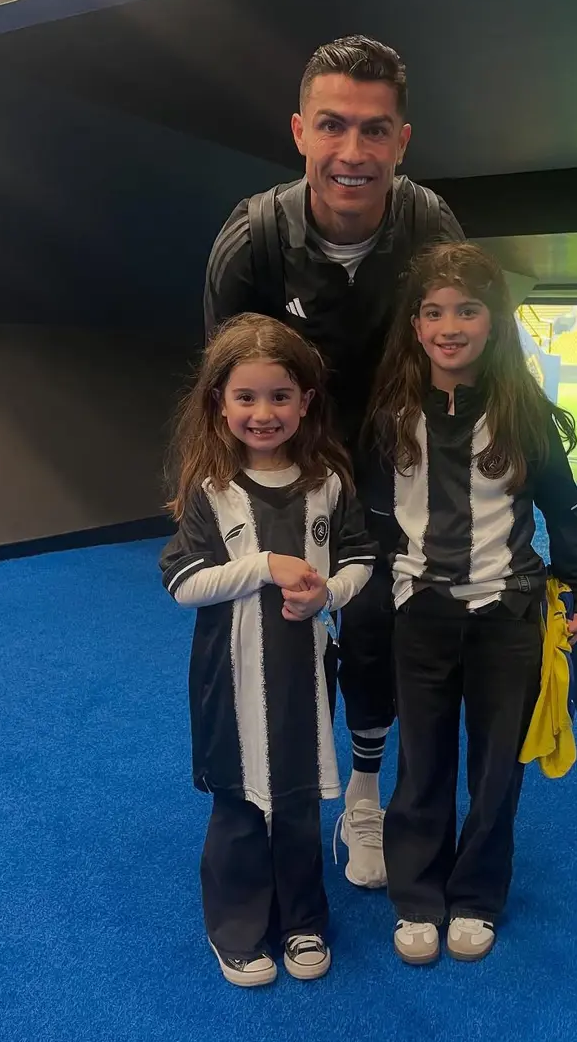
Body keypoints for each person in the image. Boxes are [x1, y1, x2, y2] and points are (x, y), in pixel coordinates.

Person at [203, 35, 464, 888]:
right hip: (295, 461)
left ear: (402, 140)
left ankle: (363, 795)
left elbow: (461, 360)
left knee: (378, 628)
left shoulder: (428, 228)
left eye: (374, 129)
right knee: (288, 628)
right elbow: (226, 389)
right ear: (300, 132)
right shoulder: (253, 240)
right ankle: (278, 788)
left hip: (392, 460)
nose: (353, 151)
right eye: (332, 126)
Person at [363, 242, 577, 965]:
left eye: (467, 310)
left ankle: (476, 897)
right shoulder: (390, 417)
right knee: (422, 763)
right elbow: (375, 524)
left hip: (510, 616)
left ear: (493, 322)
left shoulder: (523, 414)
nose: (450, 326)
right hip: (421, 617)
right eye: (434, 312)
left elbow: (564, 508)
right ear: (414, 326)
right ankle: (416, 896)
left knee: (498, 769)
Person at [159, 314, 377, 987]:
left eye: (279, 396)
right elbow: (183, 583)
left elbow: (361, 559)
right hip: (229, 681)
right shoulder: (211, 491)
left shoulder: (328, 483)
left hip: (303, 677)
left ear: (305, 402)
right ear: (219, 403)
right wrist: (263, 566)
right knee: (240, 802)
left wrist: (327, 594)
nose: (263, 413)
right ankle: (237, 928)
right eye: (246, 397)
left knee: (300, 799)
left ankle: (303, 919)